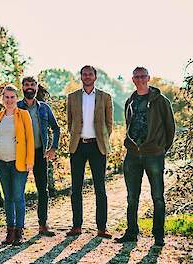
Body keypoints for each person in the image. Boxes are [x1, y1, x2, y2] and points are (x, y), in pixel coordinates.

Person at [115, 67, 175, 246]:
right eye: (137, 77)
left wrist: (160, 148)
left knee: (157, 196)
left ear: (148, 78)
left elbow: (170, 127)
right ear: (133, 80)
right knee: (132, 197)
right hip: (132, 155)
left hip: (154, 155)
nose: (140, 79)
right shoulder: (130, 101)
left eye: (143, 76)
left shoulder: (161, 101)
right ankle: (132, 233)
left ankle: (158, 236)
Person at [66, 65, 113, 238]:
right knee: (76, 187)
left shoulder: (105, 97)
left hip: (97, 146)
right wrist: (77, 137)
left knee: (100, 188)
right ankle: (76, 226)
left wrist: (102, 138)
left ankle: (102, 227)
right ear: (81, 77)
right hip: (78, 146)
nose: (87, 76)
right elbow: (69, 121)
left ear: (95, 77)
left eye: (90, 74)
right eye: (84, 74)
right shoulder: (72, 97)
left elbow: (109, 124)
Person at [0, 84, 34, 245]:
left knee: (17, 196)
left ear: (17, 98)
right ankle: (10, 231)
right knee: (8, 198)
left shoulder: (23, 115)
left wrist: (30, 161)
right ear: (3, 98)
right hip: (2, 163)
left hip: (19, 163)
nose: (9, 100)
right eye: (6, 97)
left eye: (12, 97)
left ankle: (19, 231)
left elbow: (29, 139)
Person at [17, 77, 60, 236]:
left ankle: (43, 225)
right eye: (27, 85)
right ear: (22, 87)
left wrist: (53, 148)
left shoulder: (44, 108)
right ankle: (18, 227)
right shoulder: (16, 107)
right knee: (18, 190)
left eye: (32, 85)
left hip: (40, 153)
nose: (29, 87)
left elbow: (56, 128)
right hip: (21, 155)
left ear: (36, 87)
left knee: (43, 190)